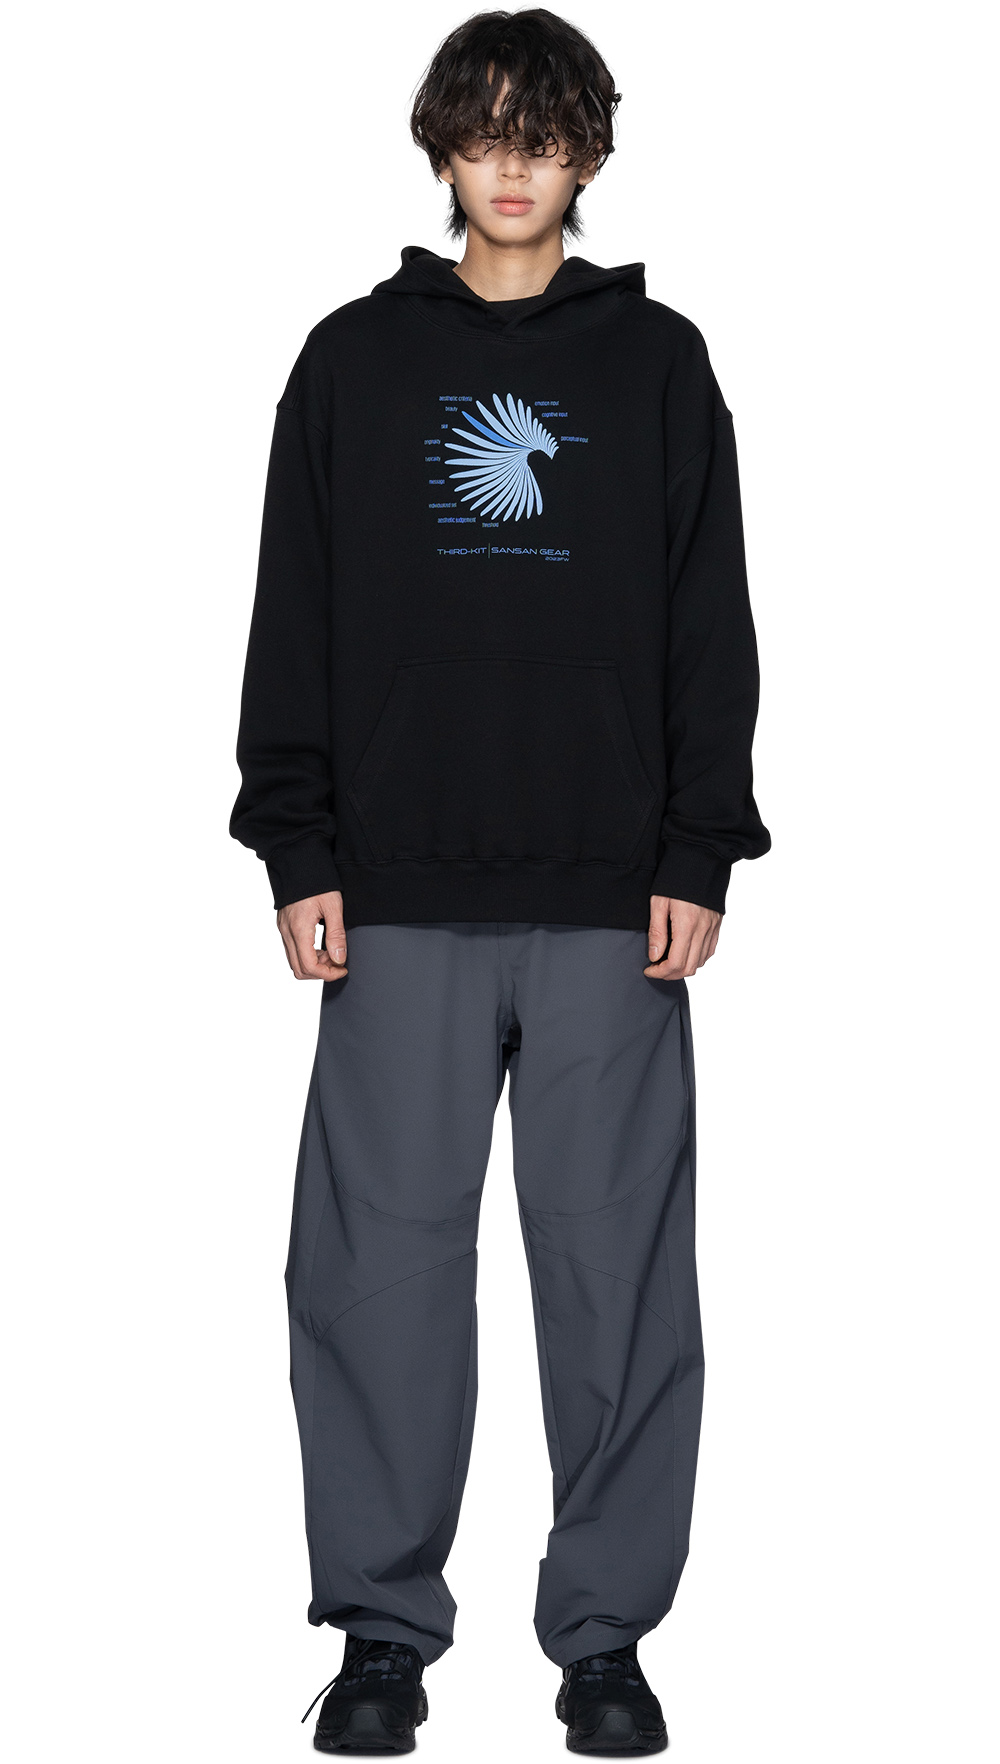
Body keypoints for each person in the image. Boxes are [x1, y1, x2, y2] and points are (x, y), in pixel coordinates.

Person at [231, 8, 770, 1753]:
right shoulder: (351, 362)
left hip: (615, 892)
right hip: (394, 889)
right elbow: (292, 612)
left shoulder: (660, 365)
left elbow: (709, 623)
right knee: (376, 1277)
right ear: (442, 149)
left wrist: (697, 846)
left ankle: (603, 1637)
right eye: (484, 131)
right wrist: (297, 841)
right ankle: (382, 1633)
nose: (514, 163)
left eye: (544, 133)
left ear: (588, 153)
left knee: (619, 1281)